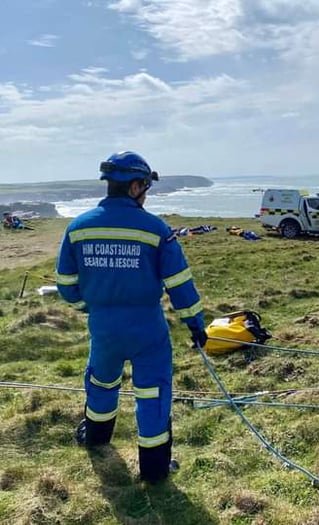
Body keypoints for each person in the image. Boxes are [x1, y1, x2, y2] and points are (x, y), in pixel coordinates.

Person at [56, 151, 208, 484]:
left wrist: (90, 308)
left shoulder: (78, 228)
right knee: (152, 394)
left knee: (101, 383)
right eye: (145, 187)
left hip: (104, 328)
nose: (146, 194)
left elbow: (66, 285)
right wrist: (196, 324)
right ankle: (154, 470)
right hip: (147, 330)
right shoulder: (156, 229)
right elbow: (180, 284)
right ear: (135, 186)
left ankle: (95, 439)